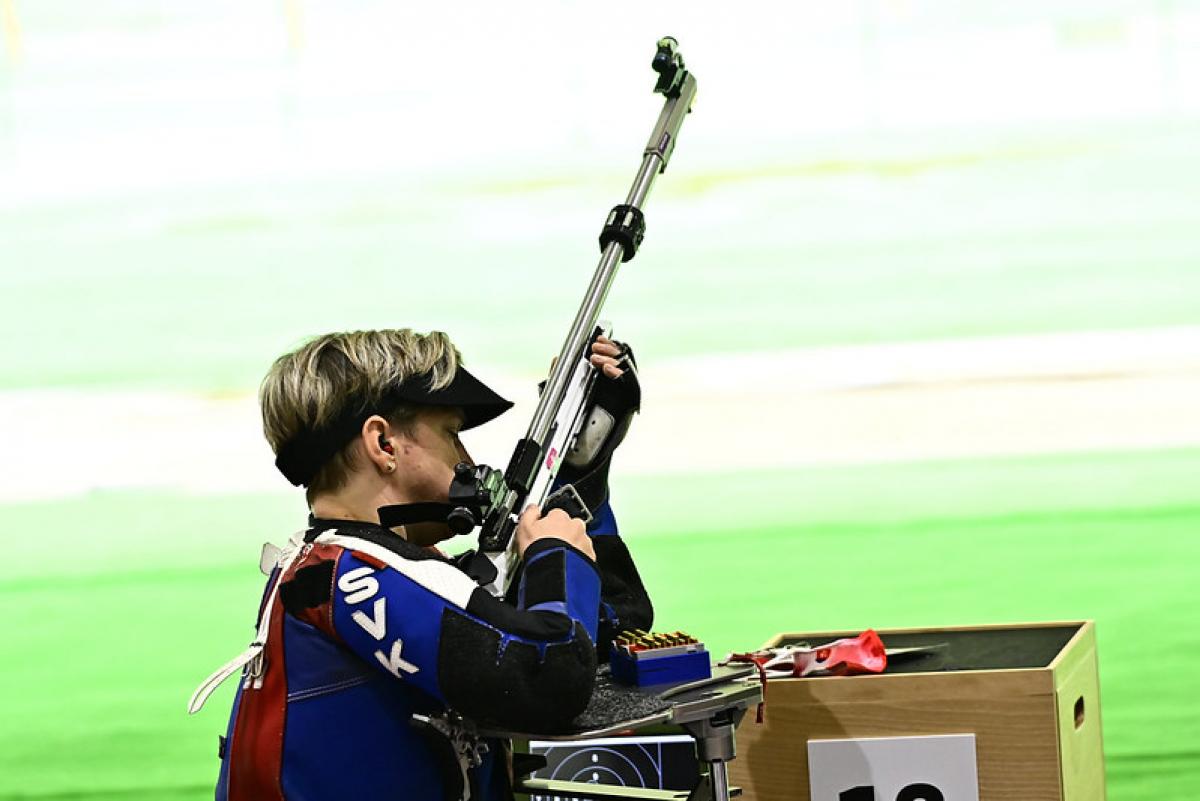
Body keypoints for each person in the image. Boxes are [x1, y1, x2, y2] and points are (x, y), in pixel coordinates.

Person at [204, 328, 652, 801]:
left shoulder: (365, 571)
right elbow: (549, 679)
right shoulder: (356, 575)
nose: (468, 458)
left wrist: (583, 476)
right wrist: (555, 556)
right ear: (383, 443)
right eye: (452, 434)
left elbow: (612, 628)